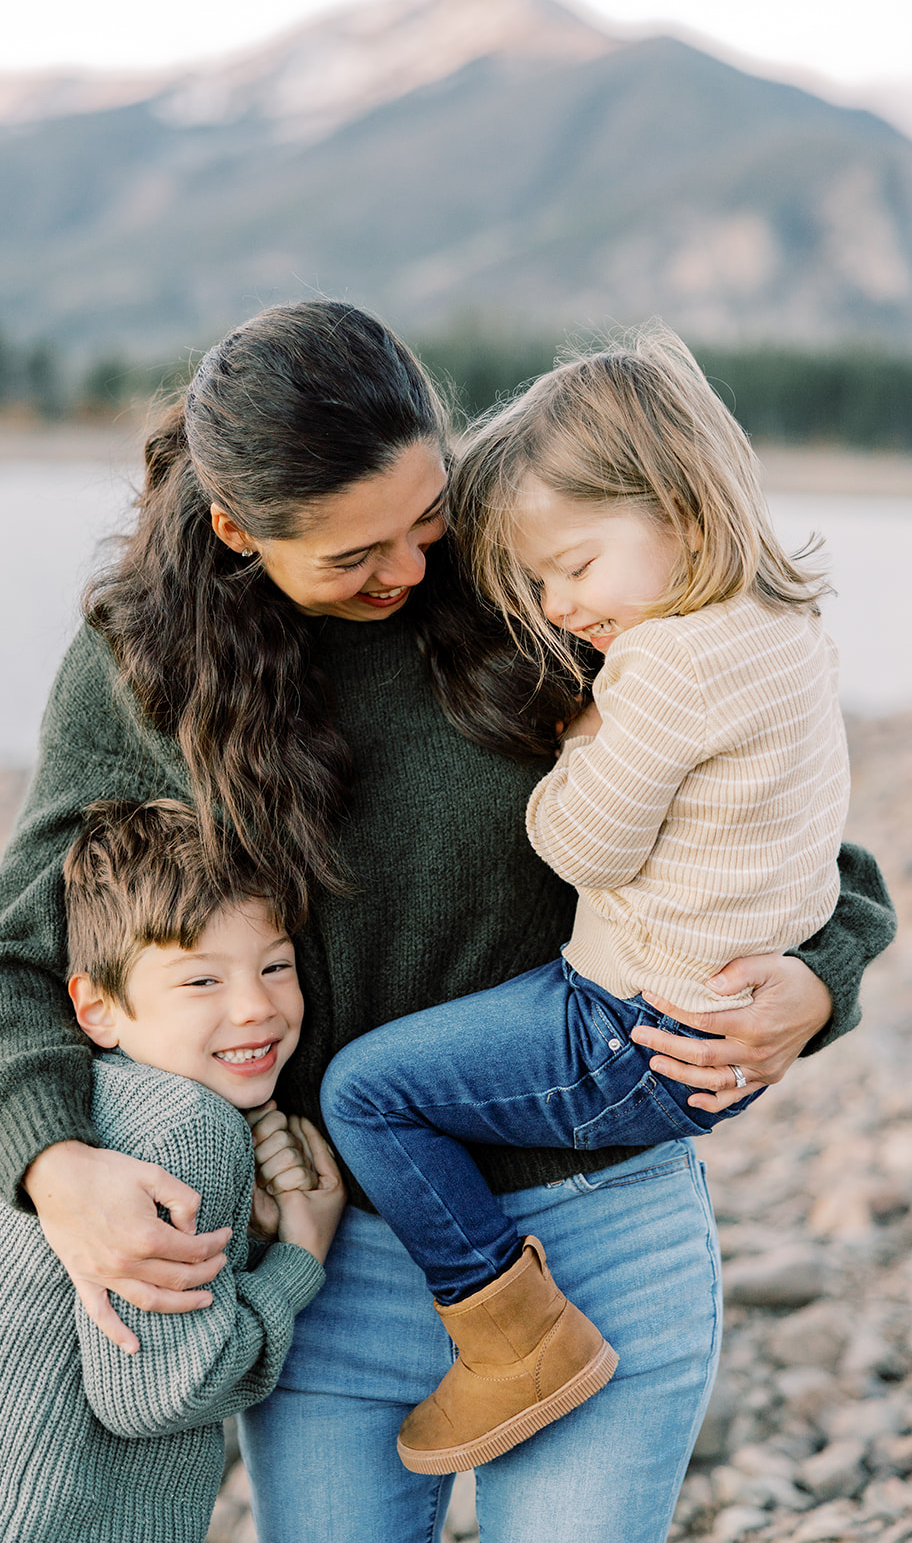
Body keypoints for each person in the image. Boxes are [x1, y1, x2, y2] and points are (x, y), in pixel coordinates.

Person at [0, 301, 895, 1543]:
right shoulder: (149, 670)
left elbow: (800, 845)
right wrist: (52, 1166)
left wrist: (818, 981)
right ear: (237, 530)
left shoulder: (539, 586)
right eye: (352, 557)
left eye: (427, 517)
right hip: (328, 1267)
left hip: (607, 1235)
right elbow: (20, 960)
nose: (407, 570)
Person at [319, 327, 852, 1476]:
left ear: (679, 507)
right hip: (697, 1027)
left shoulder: (664, 666)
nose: (560, 607)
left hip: (625, 1030)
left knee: (367, 1091)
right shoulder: (788, 630)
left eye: (572, 568)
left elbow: (580, 841)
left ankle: (510, 1333)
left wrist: (584, 729)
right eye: (541, 583)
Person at [0, 799, 344, 1543]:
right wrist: (299, 1260)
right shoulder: (189, 1128)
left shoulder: (97, 1096)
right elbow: (158, 1392)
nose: (255, 1007)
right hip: (54, 1521)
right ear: (96, 1009)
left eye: (275, 966)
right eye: (203, 982)